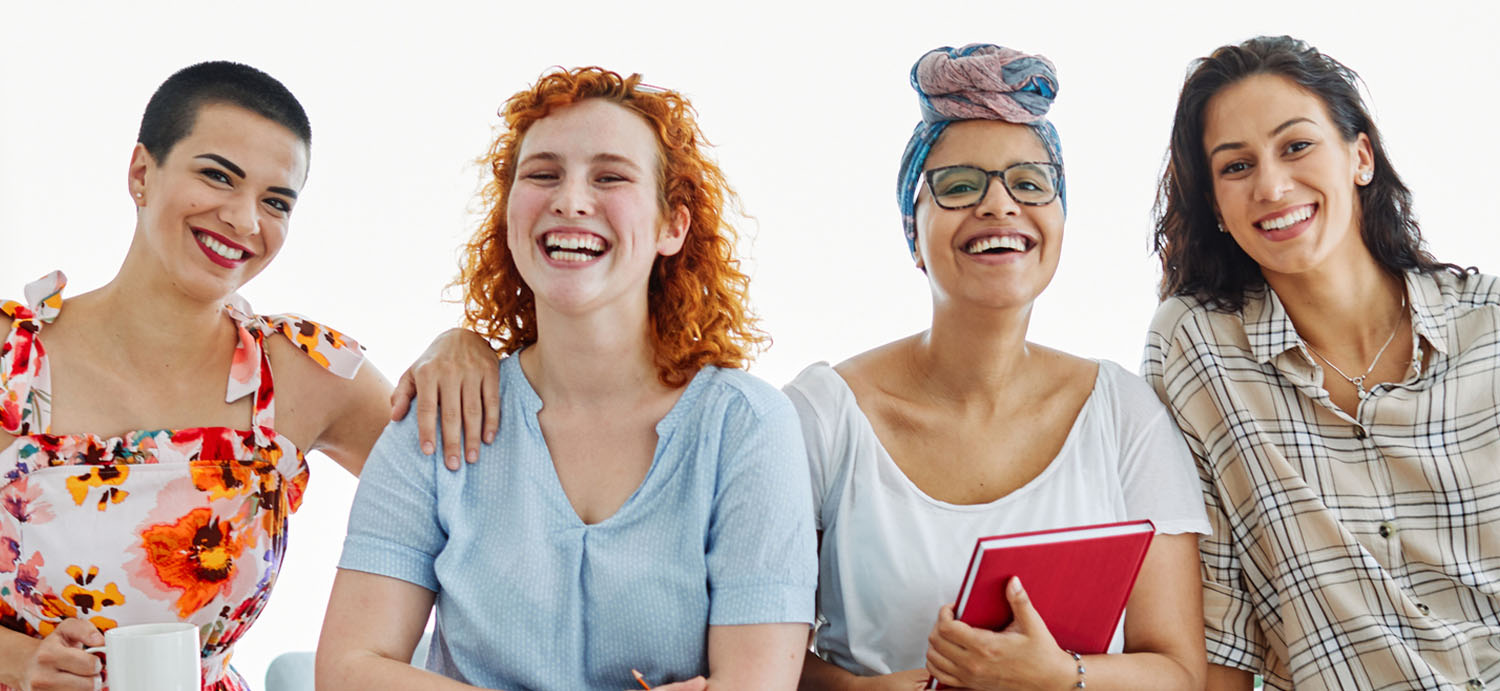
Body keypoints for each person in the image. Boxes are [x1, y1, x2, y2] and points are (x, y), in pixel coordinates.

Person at [316, 66, 818, 691]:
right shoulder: (438, 413)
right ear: (508, 213)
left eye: (610, 176)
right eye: (543, 174)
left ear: (673, 226)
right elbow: (348, 671)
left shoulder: (745, 426)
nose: (571, 199)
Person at [787, 44, 1209, 690]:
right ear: (913, 229)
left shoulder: (1124, 417)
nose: (1000, 206)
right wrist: (859, 689)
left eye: (1031, 183)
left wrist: (1062, 676)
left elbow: (1179, 673)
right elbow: (737, 640)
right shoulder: (822, 416)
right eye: (959, 186)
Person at [0, 62, 395, 691]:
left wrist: (460, 347)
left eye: (276, 202)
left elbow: (485, 511)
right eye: (218, 176)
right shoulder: (10, 362)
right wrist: (18, 663)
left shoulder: (305, 375)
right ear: (141, 174)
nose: (244, 221)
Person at [1145, 35, 1500, 690]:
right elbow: (1221, 626)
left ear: (1360, 155)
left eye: (1296, 145)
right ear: (1216, 208)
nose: (1273, 186)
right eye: (1236, 166)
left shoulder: (1492, 326)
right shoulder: (1200, 350)